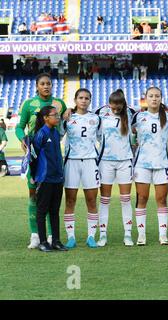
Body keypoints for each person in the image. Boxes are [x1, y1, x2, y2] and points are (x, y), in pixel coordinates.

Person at [15, 73, 67, 249]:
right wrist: (23, 139)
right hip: (35, 156)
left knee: (52, 200)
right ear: (37, 86)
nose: (46, 86)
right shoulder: (29, 104)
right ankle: (35, 235)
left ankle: (53, 236)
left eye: (49, 84)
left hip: (52, 156)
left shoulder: (59, 103)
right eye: (43, 84)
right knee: (34, 196)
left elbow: (65, 123)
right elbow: (19, 126)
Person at [131, 87, 168, 245]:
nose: (154, 98)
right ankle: (141, 235)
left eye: (157, 96)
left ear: (161, 98)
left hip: (162, 163)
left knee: (161, 199)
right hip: (142, 163)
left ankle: (163, 235)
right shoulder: (138, 116)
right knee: (142, 198)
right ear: (146, 98)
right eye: (151, 96)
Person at [95, 89, 136, 247]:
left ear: (123, 104)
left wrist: (167, 108)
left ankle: (127, 235)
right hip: (105, 161)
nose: (115, 107)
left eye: (118, 105)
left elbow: (149, 113)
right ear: (109, 103)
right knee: (105, 200)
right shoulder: (101, 112)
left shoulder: (131, 112)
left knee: (125, 200)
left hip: (125, 161)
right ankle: (103, 235)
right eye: (113, 104)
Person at [61, 89, 100, 249]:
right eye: (81, 98)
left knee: (91, 200)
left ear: (90, 100)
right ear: (75, 100)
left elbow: (102, 138)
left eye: (86, 98)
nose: (83, 101)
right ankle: (71, 237)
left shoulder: (96, 118)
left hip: (90, 161)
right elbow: (58, 135)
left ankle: (91, 236)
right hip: (72, 162)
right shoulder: (67, 118)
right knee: (70, 201)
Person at [31, 106, 67, 252]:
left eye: (58, 115)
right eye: (54, 115)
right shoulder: (41, 134)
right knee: (42, 210)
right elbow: (33, 158)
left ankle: (56, 241)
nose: (57, 117)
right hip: (45, 178)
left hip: (57, 178)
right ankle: (43, 242)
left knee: (54, 210)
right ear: (46, 118)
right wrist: (34, 177)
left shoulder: (56, 132)